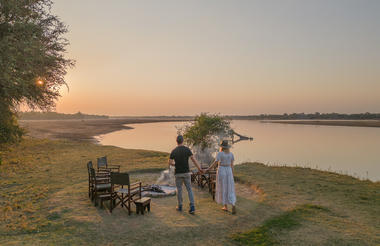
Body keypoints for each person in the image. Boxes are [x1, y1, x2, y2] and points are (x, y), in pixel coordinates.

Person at [168, 135, 203, 214]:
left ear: (176, 141)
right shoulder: (187, 149)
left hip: (178, 173)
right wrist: (199, 168)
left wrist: (175, 165)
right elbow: (193, 160)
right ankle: (192, 207)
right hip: (186, 173)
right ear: (182, 141)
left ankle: (180, 206)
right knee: (189, 189)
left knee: (179, 190)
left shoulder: (174, 151)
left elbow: (170, 163)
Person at [207, 140, 236, 214]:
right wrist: (232, 174)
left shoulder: (220, 154)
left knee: (223, 188)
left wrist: (208, 169)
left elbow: (215, 163)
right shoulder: (231, 154)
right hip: (229, 171)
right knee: (230, 188)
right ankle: (233, 204)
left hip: (222, 170)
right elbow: (232, 165)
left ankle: (225, 206)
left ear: (222, 147)